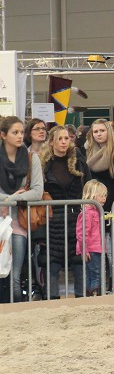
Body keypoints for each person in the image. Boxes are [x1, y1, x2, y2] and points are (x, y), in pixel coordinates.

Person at [0, 117, 44, 302]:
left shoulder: (31, 158)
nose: (19, 136)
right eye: (14, 132)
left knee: (15, 274)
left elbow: (37, 191)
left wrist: (12, 200)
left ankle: (16, 310)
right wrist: (12, 199)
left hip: (19, 221)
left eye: (21, 132)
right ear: (3, 135)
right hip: (2, 220)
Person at [41, 126, 87, 299]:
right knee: (51, 263)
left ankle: (82, 299)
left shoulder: (79, 162)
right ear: (52, 142)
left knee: (79, 262)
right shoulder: (43, 164)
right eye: (59, 139)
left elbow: (88, 186)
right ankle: (51, 301)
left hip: (76, 219)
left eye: (66, 138)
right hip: (52, 220)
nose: (63, 142)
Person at [84, 118, 114, 211]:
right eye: (95, 131)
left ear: (109, 132)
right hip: (93, 202)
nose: (98, 134)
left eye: (102, 130)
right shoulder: (88, 151)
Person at [75, 180, 108, 297]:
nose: (104, 198)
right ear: (93, 196)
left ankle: (90, 295)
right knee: (96, 274)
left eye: (105, 195)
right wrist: (84, 250)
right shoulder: (88, 213)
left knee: (91, 274)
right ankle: (94, 296)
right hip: (91, 249)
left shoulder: (95, 211)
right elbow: (82, 233)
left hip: (95, 248)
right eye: (102, 195)